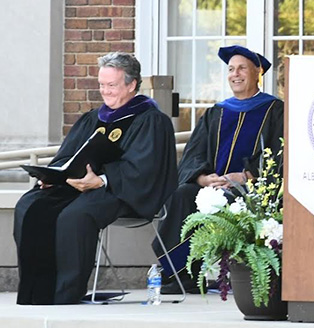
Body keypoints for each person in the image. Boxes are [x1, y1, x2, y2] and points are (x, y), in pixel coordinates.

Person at [14, 52, 177, 305]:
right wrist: (52, 176)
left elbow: (144, 169)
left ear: (131, 84)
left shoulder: (151, 120)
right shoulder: (94, 118)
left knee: (76, 215)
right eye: (101, 84)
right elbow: (67, 155)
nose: (105, 91)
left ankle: (65, 293)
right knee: (30, 204)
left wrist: (101, 181)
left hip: (122, 191)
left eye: (111, 85)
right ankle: (35, 290)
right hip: (78, 186)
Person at [152, 45, 284, 292]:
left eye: (242, 68)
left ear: (258, 72)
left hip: (251, 189)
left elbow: (280, 153)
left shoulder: (275, 110)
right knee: (181, 195)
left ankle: (251, 275)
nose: (235, 74)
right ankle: (182, 275)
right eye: (231, 69)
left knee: (236, 200)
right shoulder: (217, 112)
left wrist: (246, 176)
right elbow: (194, 152)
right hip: (212, 187)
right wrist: (203, 178)